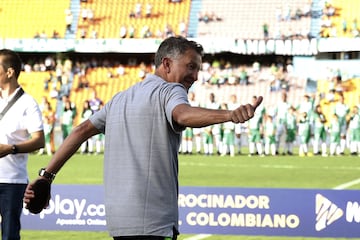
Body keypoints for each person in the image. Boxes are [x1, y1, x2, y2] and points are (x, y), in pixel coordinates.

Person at [24, 36, 262, 240]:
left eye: (197, 69)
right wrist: (229, 115)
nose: (196, 76)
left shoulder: (119, 98)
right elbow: (182, 113)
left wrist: (46, 177)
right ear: (167, 64)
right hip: (154, 223)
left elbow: (80, 131)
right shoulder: (171, 90)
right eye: (191, 67)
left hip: (119, 222)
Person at [0, 49, 45, 240]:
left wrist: (11, 148)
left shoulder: (28, 103)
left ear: (9, 72)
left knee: (10, 234)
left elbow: (39, 140)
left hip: (12, 181)